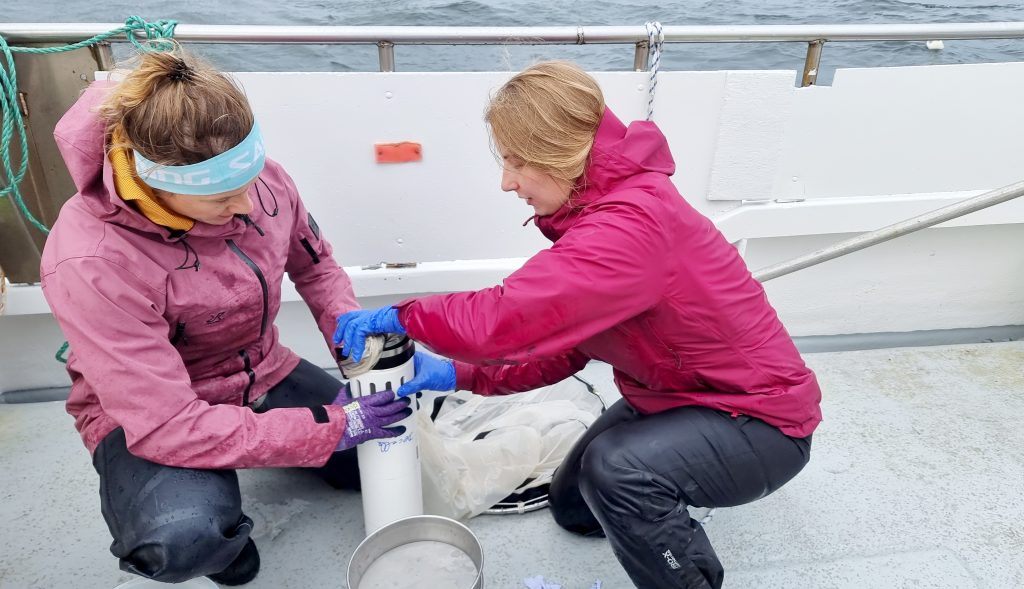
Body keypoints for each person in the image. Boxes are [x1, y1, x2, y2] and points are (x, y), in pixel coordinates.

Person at [336, 60, 822, 588]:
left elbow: (503, 320)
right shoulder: (603, 213)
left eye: (517, 162)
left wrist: (405, 317)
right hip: (674, 396)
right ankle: (670, 485)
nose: (506, 182)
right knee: (574, 505)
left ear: (558, 155)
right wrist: (457, 376)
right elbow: (562, 348)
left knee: (617, 472)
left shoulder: (629, 226)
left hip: (759, 422)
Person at [40, 47, 410, 586]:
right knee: (183, 538)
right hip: (148, 413)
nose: (245, 207)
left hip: (261, 370)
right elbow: (168, 422)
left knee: (385, 447)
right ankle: (219, 535)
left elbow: (316, 267)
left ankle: (243, 457)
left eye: (249, 185)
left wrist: (351, 336)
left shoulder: (261, 185)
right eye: (220, 198)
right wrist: (331, 425)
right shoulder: (90, 261)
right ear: (154, 183)